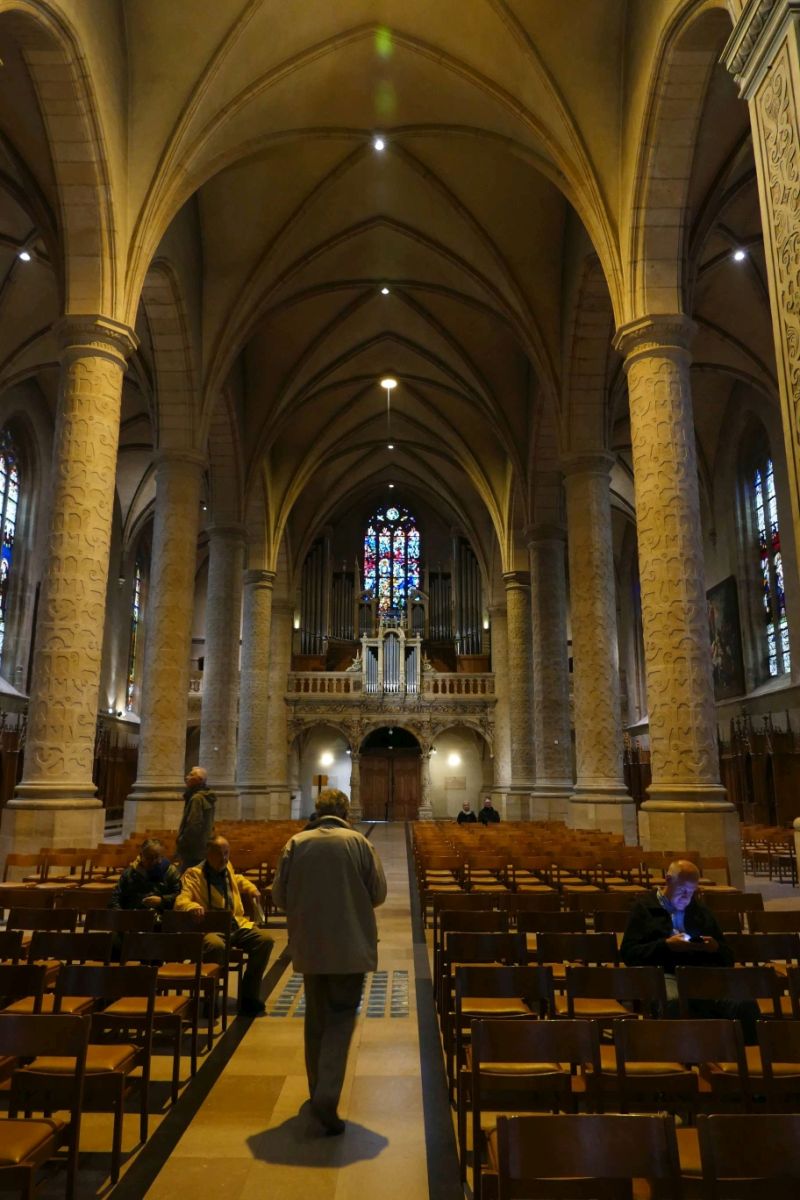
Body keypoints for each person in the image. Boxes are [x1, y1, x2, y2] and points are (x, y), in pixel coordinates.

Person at [271, 788, 387, 1135]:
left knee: (316, 1019)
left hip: (310, 945)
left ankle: (316, 1090)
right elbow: (378, 893)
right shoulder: (358, 843)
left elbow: (279, 897)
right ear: (345, 812)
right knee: (340, 1019)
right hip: (350, 946)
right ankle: (326, 1095)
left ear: (318, 810)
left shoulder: (296, 843)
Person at [621, 859, 759, 1041]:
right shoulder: (644, 908)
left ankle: (741, 1054)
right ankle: (685, 1052)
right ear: (668, 880)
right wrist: (666, 945)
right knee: (674, 1004)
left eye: (691, 891)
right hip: (665, 974)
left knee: (745, 1004)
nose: (687, 897)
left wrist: (714, 948)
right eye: (682, 890)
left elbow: (727, 957)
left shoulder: (700, 910)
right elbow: (629, 953)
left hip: (703, 974)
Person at [176, 835, 274, 1017]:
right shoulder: (194, 874)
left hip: (236, 924)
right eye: (219, 854)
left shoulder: (227, 867)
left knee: (265, 941)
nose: (224, 858)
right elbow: (181, 900)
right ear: (208, 854)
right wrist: (192, 906)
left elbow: (237, 879)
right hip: (211, 927)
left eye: (226, 853)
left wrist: (251, 888)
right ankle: (210, 998)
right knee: (215, 946)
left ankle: (248, 997)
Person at [110, 838, 181, 913]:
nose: (153, 861)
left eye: (156, 857)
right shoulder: (129, 873)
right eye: (149, 858)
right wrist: (122, 915)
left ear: (162, 857)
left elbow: (179, 896)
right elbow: (116, 898)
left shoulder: (170, 872)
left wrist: (162, 900)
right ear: (141, 856)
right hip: (133, 914)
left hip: (162, 915)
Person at [176, 765, 216, 870]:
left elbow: (193, 825)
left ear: (199, 780)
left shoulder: (197, 799)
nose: (187, 777)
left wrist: (182, 842)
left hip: (193, 849)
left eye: (191, 775)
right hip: (203, 847)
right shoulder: (206, 796)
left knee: (188, 876)